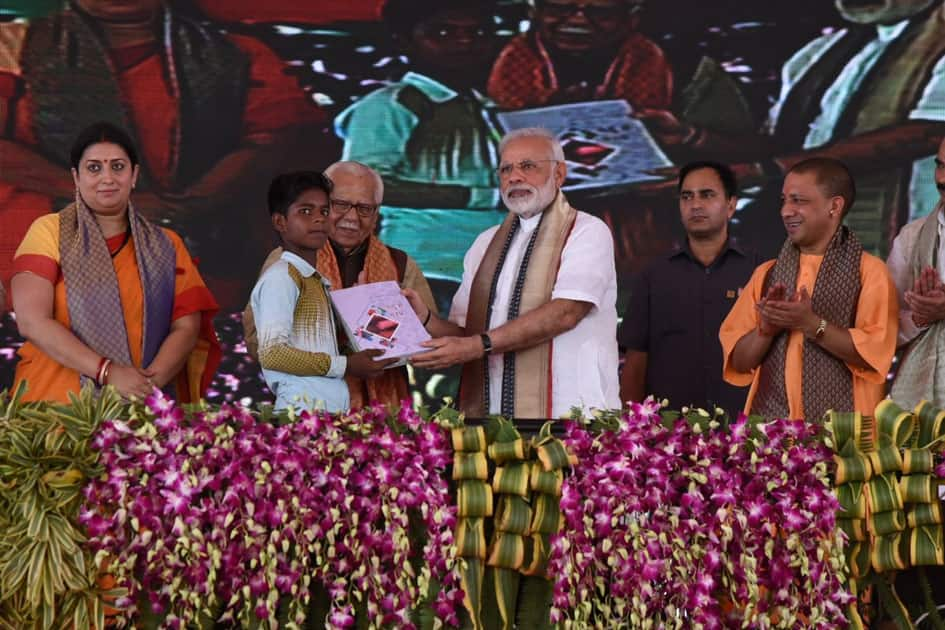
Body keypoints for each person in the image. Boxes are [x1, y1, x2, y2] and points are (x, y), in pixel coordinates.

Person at [0, 0, 326, 309]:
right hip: (43, 269)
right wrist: (105, 195)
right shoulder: (12, 46)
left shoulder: (236, 53)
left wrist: (186, 205)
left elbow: (268, 142)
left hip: (196, 260)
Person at [641, 0, 945, 257]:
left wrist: (766, 170)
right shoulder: (820, 52)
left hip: (908, 247)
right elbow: (781, 144)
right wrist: (691, 137)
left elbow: (925, 134)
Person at [408, 127, 620, 418]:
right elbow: (466, 333)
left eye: (528, 166)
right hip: (493, 417)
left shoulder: (586, 231)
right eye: (506, 169)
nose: (514, 177)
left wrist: (478, 345)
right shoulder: (486, 243)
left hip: (571, 416)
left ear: (559, 174)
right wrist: (425, 319)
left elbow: (566, 312)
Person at [10, 122, 220, 403]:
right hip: (55, 411)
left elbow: (185, 328)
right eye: (94, 168)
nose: (107, 178)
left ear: (134, 175)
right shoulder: (49, 231)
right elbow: (31, 321)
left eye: (118, 167)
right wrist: (108, 373)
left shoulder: (166, 244)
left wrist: (145, 388)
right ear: (76, 177)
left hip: (139, 410)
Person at [334, 0, 505, 285]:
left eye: (478, 33)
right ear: (404, 42)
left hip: (485, 269)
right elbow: (361, 189)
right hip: (422, 265)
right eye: (442, 33)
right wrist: (482, 196)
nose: (464, 42)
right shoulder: (388, 106)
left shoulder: (488, 107)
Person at [243, 161, 438, 408]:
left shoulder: (399, 263)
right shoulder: (287, 262)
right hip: (309, 410)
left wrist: (367, 313)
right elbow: (257, 342)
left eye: (365, 208)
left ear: (377, 214)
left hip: (385, 413)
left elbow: (424, 343)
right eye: (340, 205)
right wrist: (342, 340)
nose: (352, 218)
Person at [719, 158, 898, 420]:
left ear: (834, 206)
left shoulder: (870, 273)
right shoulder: (767, 274)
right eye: (784, 201)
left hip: (846, 441)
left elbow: (873, 356)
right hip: (773, 441)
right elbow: (740, 364)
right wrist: (765, 332)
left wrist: (812, 324)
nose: (785, 211)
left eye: (798, 201)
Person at [619, 162, 759, 416]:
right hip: (669, 430)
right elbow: (636, 358)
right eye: (687, 196)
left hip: (745, 430)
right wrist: (632, 424)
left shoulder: (759, 271)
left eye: (707, 195)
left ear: (731, 205)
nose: (695, 205)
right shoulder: (654, 275)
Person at [487, 0, 672, 110]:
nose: (578, 20)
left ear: (632, 19)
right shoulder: (517, 53)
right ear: (533, 12)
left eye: (600, 12)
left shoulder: (644, 54)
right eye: (558, 9)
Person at [886, 137, 945, 408]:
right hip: (922, 402)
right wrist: (921, 317)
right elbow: (885, 324)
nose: (942, 180)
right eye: (941, 167)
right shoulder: (913, 237)